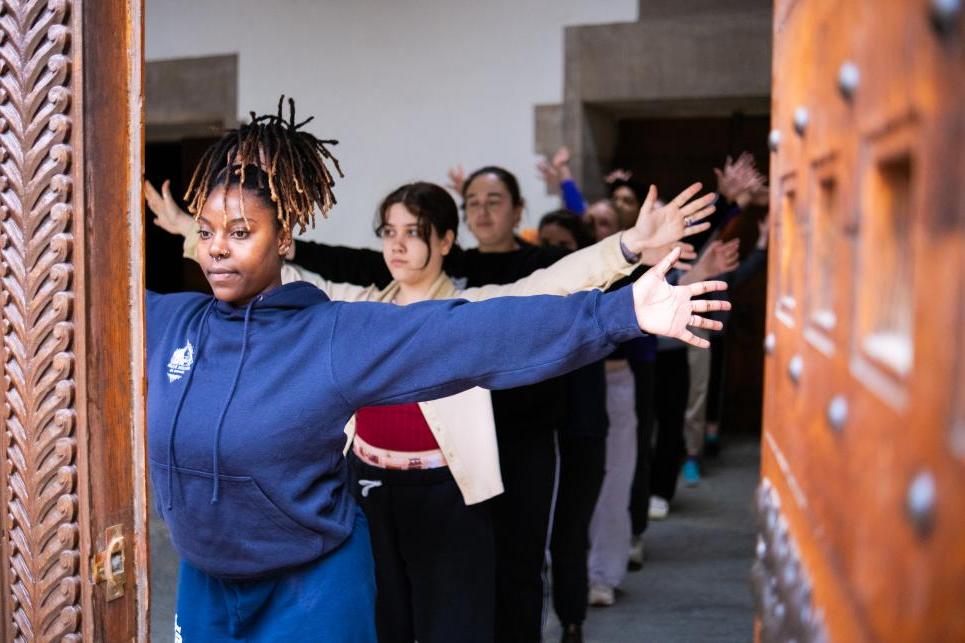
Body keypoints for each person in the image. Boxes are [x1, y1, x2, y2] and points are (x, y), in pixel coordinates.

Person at [146, 101, 729, 642]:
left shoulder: (351, 331)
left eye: (241, 232)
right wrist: (188, 230)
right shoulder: (331, 304)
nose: (218, 247)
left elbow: (504, 318)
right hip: (338, 505)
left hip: (406, 515)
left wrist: (622, 284)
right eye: (207, 232)